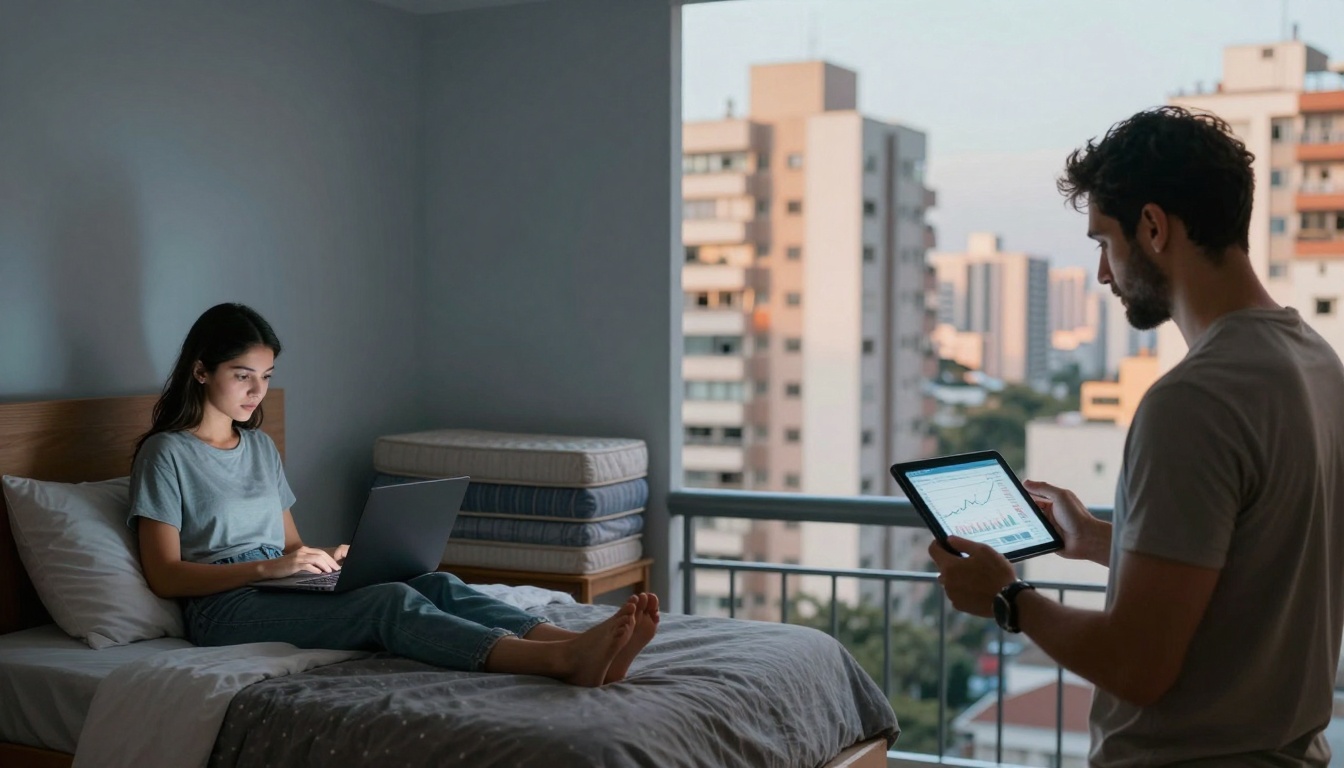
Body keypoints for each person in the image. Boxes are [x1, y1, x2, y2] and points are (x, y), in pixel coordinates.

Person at [930, 106, 1344, 766]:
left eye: (1103, 242)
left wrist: (1007, 598)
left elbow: (1137, 666)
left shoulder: (1192, 400)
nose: (1102, 273)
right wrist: (1097, 539)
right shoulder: (1318, 362)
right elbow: (1252, 563)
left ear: (1153, 227)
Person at [130, 302, 659, 686]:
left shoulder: (260, 447)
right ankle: (557, 663)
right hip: (222, 607)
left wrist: (325, 559)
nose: (257, 392)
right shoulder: (166, 454)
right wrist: (265, 570)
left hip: (275, 583)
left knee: (432, 581)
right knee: (389, 603)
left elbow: (290, 545)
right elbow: (165, 574)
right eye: (242, 375)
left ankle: (572, 644)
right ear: (201, 370)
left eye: (266, 377)